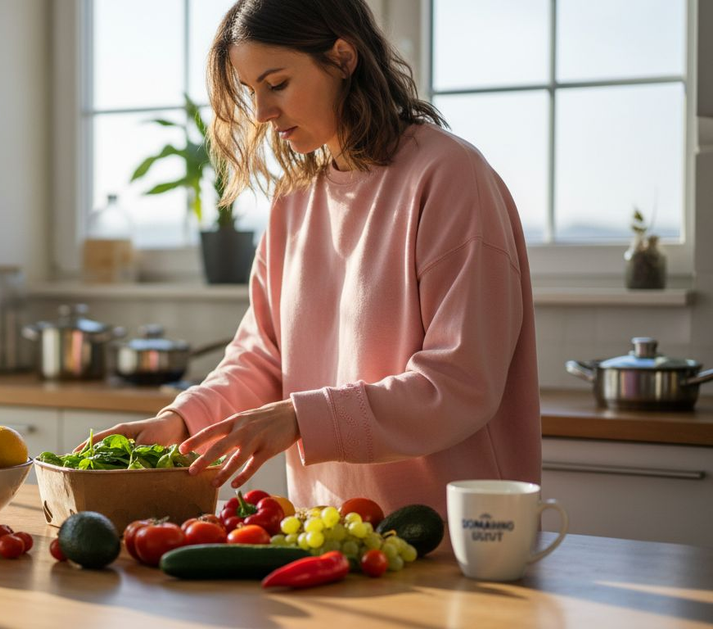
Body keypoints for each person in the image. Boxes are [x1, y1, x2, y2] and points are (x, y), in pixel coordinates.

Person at [90, 0, 540, 516]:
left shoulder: (449, 176)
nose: (260, 113)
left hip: (453, 536)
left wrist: (303, 418)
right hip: (329, 535)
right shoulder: (295, 198)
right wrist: (181, 422)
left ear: (343, 58)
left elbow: (460, 384)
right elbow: (261, 356)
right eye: (250, 91)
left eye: (276, 83)